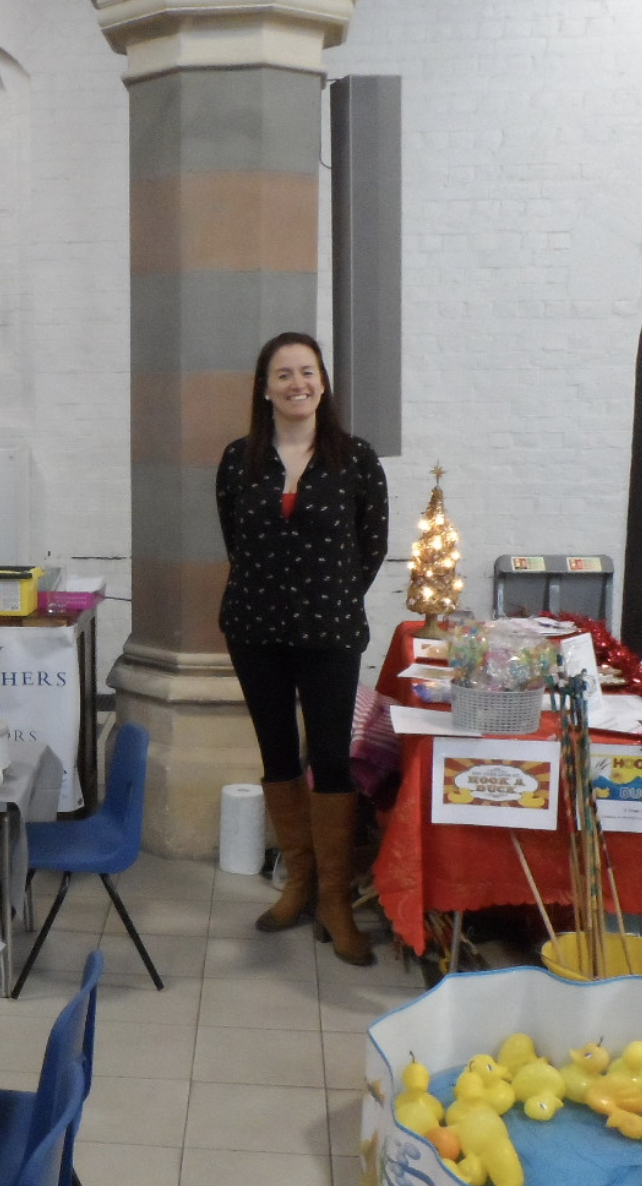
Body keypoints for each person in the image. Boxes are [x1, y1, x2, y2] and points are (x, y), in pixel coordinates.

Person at [216, 331, 389, 966]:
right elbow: (237, 540)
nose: (297, 384)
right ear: (265, 388)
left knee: (331, 758)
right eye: (283, 374)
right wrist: (277, 594)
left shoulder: (356, 459)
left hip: (330, 633)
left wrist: (327, 597)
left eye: (307, 372)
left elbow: (370, 549)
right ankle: (299, 882)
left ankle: (336, 900)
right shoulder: (240, 459)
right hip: (255, 629)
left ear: (322, 383)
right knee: (277, 754)